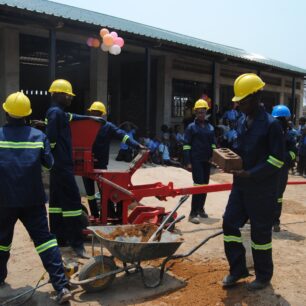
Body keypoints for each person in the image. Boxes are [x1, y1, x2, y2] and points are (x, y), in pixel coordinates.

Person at [0, 92, 71, 304]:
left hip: (4, 200)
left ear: (6, 113)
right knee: (45, 242)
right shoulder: (38, 137)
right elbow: (49, 164)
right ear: (27, 115)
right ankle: (61, 287)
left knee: (2, 243)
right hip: (33, 200)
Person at [222, 73, 285, 291]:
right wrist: (228, 159)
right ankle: (237, 270)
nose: (239, 105)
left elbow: (278, 160)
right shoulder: (242, 121)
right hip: (241, 186)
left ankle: (263, 275)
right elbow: (240, 150)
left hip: (262, 189)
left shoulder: (271, 125)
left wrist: (253, 173)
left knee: (260, 234)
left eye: (243, 101)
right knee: (229, 223)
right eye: (238, 101)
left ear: (257, 97)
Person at [46, 79, 100, 259]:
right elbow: (51, 139)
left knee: (56, 204)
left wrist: (90, 118)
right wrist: (54, 154)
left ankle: (59, 239)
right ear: (59, 94)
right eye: (68, 95)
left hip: (57, 166)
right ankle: (77, 245)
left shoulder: (59, 112)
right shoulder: (55, 113)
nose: (70, 98)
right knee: (73, 205)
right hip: (62, 165)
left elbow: (72, 117)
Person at [82, 101, 145, 218]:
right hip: (94, 164)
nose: (95, 114)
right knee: (102, 192)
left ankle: (101, 215)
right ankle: (105, 215)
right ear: (103, 114)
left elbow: (123, 135)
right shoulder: (106, 126)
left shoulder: (89, 124)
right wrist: (136, 145)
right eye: (94, 112)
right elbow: (122, 135)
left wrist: (136, 145)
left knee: (95, 193)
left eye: (95, 112)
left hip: (88, 164)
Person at [183, 99, 216, 224]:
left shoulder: (210, 127)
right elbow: (186, 145)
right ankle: (193, 213)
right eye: (199, 112)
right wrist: (188, 162)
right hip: (196, 160)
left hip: (206, 160)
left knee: (205, 185)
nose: (201, 114)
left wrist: (214, 156)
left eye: (203, 111)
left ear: (206, 112)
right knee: (198, 185)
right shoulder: (191, 127)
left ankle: (201, 209)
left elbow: (213, 144)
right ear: (195, 113)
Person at [271, 105, 297, 232]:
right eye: (278, 119)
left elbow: (294, 151)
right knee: (264, 194)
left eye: (282, 119)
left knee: (278, 196)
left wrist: (286, 158)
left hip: (281, 171)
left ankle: (275, 221)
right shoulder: (268, 132)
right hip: (269, 169)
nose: (280, 122)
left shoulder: (289, 135)